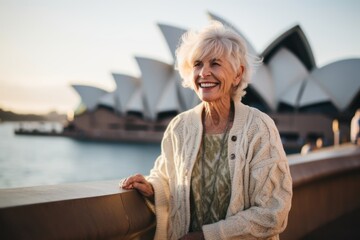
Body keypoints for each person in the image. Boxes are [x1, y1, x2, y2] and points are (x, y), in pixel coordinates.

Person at [121, 21, 292, 240]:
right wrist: (152, 188)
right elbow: (165, 178)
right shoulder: (179, 127)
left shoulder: (259, 127)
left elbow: (273, 213)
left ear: (238, 74)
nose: (204, 73)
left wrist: (206, 237)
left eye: (215, 64)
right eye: (198, 64)